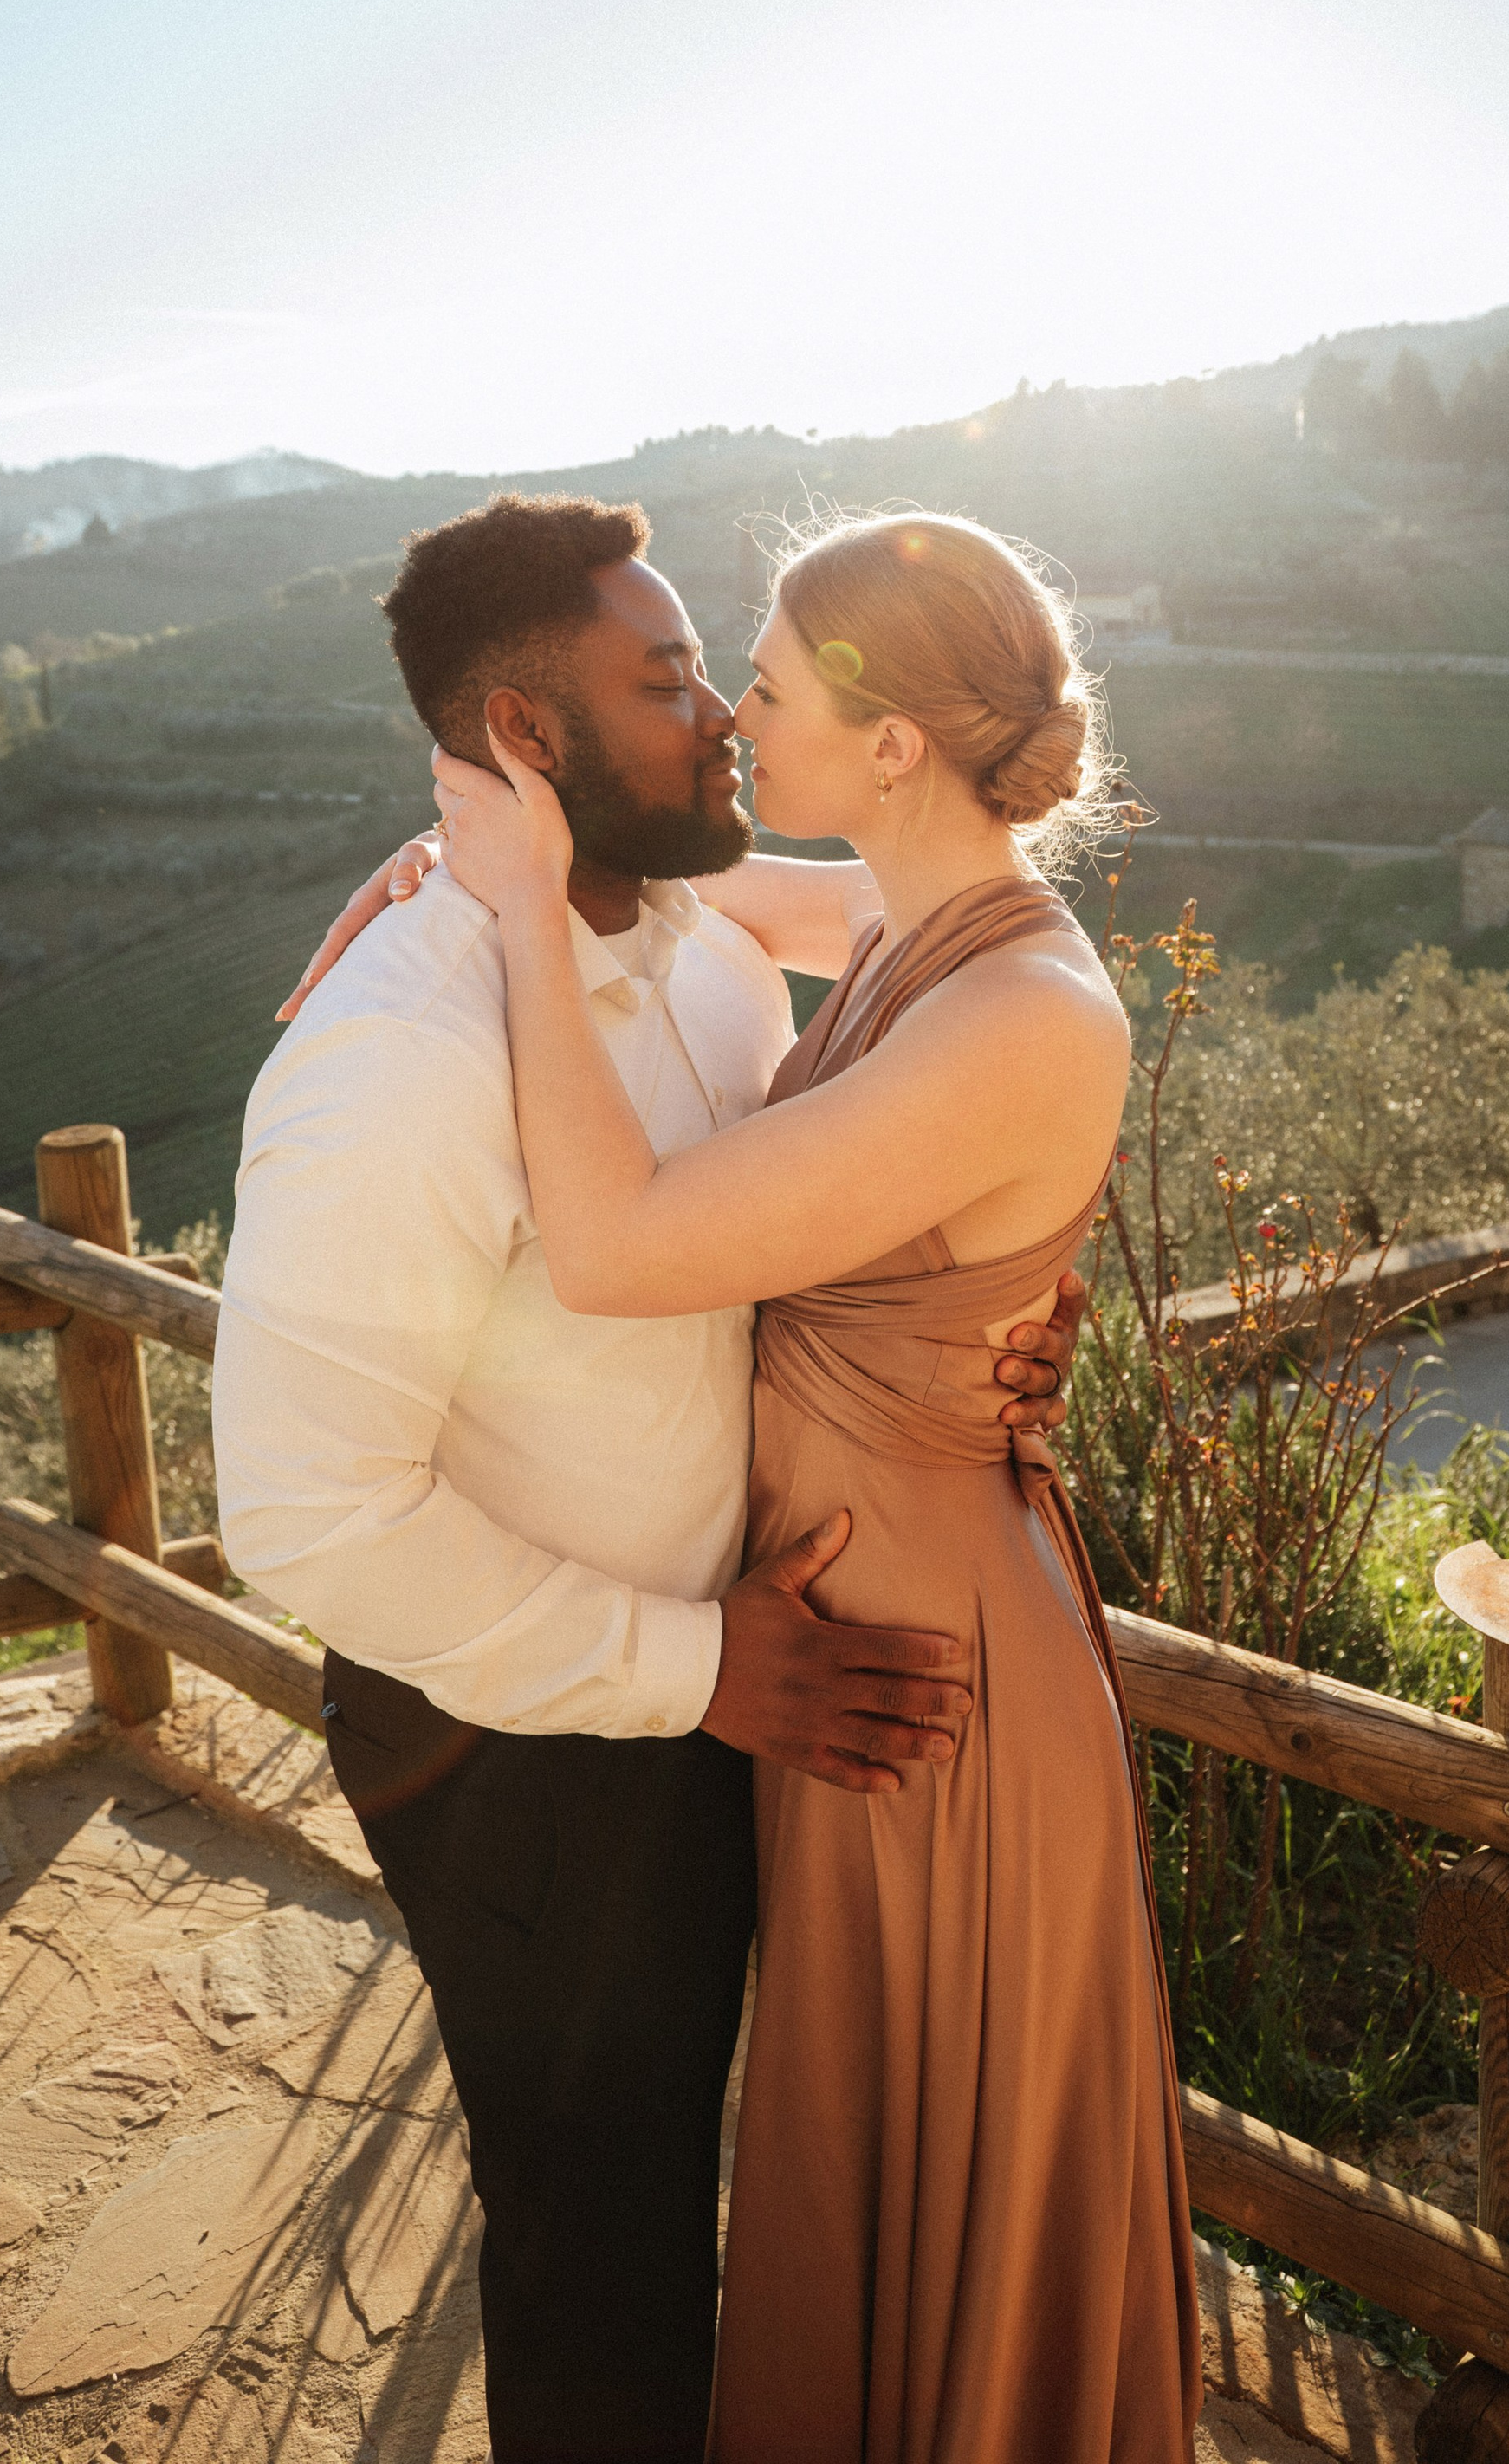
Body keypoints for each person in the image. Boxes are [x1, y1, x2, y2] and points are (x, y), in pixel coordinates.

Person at [213, 491, 1087, 2464]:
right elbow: (304, 1514)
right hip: (525, 1749)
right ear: (525, 741)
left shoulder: (699, 945)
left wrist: (1006, 1289)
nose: (715, 715)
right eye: (669, 676)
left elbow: (972, 974)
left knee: (763, 2175)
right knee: (601, 2248)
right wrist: (697, 1673)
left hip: (739, 1680)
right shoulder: (396, 1060)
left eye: (716, 671)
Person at [416, 506, 1201, 2464]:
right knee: (862, 2159)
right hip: (860, 1650)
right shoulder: (891, 923)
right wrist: (452, 865)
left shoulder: (1024, 1010)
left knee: (925, 2171)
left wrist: (512, 924)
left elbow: (614, 1246)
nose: (731, 719)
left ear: (892, 743)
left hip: (936, 1692)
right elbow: (692, 889)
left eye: (758, 688)